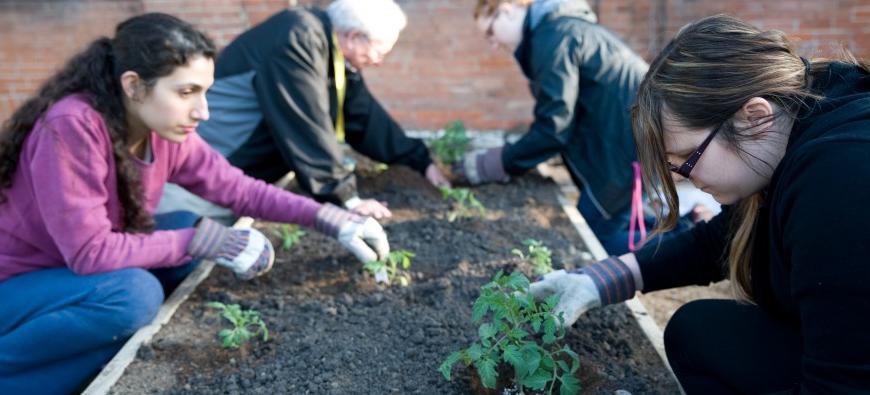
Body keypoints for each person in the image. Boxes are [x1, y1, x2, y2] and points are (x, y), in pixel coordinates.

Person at [0, 13, 388, 394]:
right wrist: (197, 241)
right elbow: (89, 253)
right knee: (134, 295)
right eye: (186, 92)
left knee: (185, 224)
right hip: (18, 286)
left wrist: (331, 218)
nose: (203, 111)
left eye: (204, 92)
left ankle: (86, 348)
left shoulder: (163, 130)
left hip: (66, 275)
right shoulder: (73, 127)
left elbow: (238, 189)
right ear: (133, 86)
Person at [528, 14, 870, 394]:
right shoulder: (801, 120)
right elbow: (721, 238)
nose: (682, 177)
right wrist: (600, 279)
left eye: (687, 159)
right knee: (696, 332)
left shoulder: (843, 181)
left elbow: (842, 386)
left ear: (755, 117)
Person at [157, 0, 450, 222]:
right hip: (199, 181)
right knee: (185, 253)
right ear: (354, 36)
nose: (379, 61)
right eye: (380, 51)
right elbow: (305, 121)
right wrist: (346, 198)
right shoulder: (297, 38)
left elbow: (363, 116)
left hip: (233, 181)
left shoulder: (329, 52)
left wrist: (419, 160)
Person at [462, 0, 659, 255]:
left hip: (627, 147)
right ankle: (690, 226)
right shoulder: (559, 30)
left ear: (506, 10)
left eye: (490, 32)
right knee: (615, 220)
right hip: (631, 142)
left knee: (597, 243)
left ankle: (691, 235)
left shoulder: (553, 37)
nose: (494, 44)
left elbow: (554, 126)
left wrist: (497, 162)